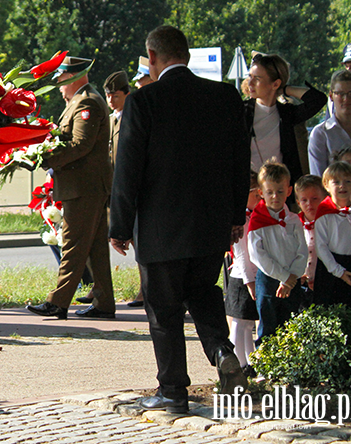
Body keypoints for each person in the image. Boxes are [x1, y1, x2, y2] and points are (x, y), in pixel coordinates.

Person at [110, 25, 249, 413]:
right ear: (185, 54)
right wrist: (235, 215)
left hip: (160, 228)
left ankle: (172, 392)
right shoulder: (224, 96)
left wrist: (119, 226)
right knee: (204, 292)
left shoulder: (144, 101)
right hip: (210, 225)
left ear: (152, 57)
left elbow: (128, 171)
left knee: (164, 310)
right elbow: (241, 162)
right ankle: (222, 350)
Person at [27, 57, 116, 320]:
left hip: (84, 187)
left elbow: (80, 144)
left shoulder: (86, 101)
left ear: (73, 78)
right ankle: (104, 302)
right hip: (88, 186)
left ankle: (58, 302)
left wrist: (45, 158)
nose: (58, 86)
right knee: (95, 248)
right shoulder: (81, 101)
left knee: (74, 245)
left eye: (61, 80)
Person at [247, 162, 308, 345]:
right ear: (261, 192)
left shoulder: (294, 220)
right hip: (268, 279)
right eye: (270, 192)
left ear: (289, 191)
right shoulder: (257, 222)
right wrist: (283, 277)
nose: (275, 196)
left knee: (290, 325)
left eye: (280, 191)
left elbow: (302, 251)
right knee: (268, 324)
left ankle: (289, 366)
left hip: (292, 279)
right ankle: (266, 367)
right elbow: (258, 256)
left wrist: (292, 278)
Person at [245, 53, 326, 187]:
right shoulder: (241, 112)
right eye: (250, 77)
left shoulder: (287, 113)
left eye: (257, 78)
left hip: (279, 191)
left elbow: (318, 100)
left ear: (276, 83)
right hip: (249, 190)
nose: (250, 83)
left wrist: (286, 89)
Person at [104, 69, 144, 308]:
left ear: (127, 95)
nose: (111, 100)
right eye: (108, 96)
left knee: (139, 242)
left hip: (132, 188)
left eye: (116, 95)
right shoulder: (111, 119)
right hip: (114, 188)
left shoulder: (132, 117)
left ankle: (144, 290)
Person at [313, 161, 351, 320]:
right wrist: (339, 272)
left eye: (347, 181)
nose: (342, 186)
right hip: (331, 269)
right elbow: (321, 247)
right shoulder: (324, 213)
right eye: (336, 182)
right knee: (330, 318)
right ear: (326, 185)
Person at [225, 171, 260, 375]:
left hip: (250, 277)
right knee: (238, 323)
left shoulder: (253, 217)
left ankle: (248, 360)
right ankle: (235, 362)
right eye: (256, 194)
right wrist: (249, 281)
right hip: (242, 278)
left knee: (247, 324)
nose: (259, 198)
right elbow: (241, 255)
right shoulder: (242, 221)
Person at [309, 70, 351, 177]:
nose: (346, 99)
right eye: (340, 94)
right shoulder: (321, 133)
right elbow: (318, 178)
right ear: (331, 96)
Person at [294, 174, 326, 304]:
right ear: (298, 202)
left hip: (324, 279)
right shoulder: (293, 225)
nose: (309, 204)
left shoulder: (329, 223)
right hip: (301, 282)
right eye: (304, 200)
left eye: (314, 199)